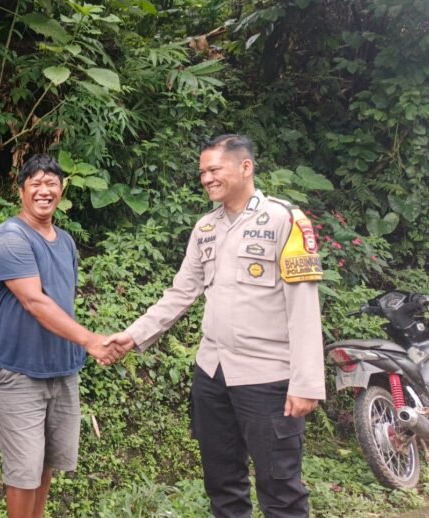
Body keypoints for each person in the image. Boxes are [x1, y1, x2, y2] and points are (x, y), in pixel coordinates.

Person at [105, 134, 325, 518]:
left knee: (281, 489)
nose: (206, 178)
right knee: (222, 484)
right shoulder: (205, 227)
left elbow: (303, 305)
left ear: (245, 167)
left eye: (214, 169)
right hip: (212, 373)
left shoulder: (284, 220)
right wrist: (133, 335)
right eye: (202, 172)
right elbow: (180, 293)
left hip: (267, 377)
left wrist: (306, 383)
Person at [0, 154, 122, 518]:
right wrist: (90, 340)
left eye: (52, 184)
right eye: (36, 184)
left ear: (61, 190)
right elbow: (34, 301)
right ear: (21, 192)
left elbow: (63, 298)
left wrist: (82, 344)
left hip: (62, 370)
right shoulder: (9, 238)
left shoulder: (65, 241)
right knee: (23, 472)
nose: (44, 191)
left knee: (46, 462)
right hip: (20, 373)